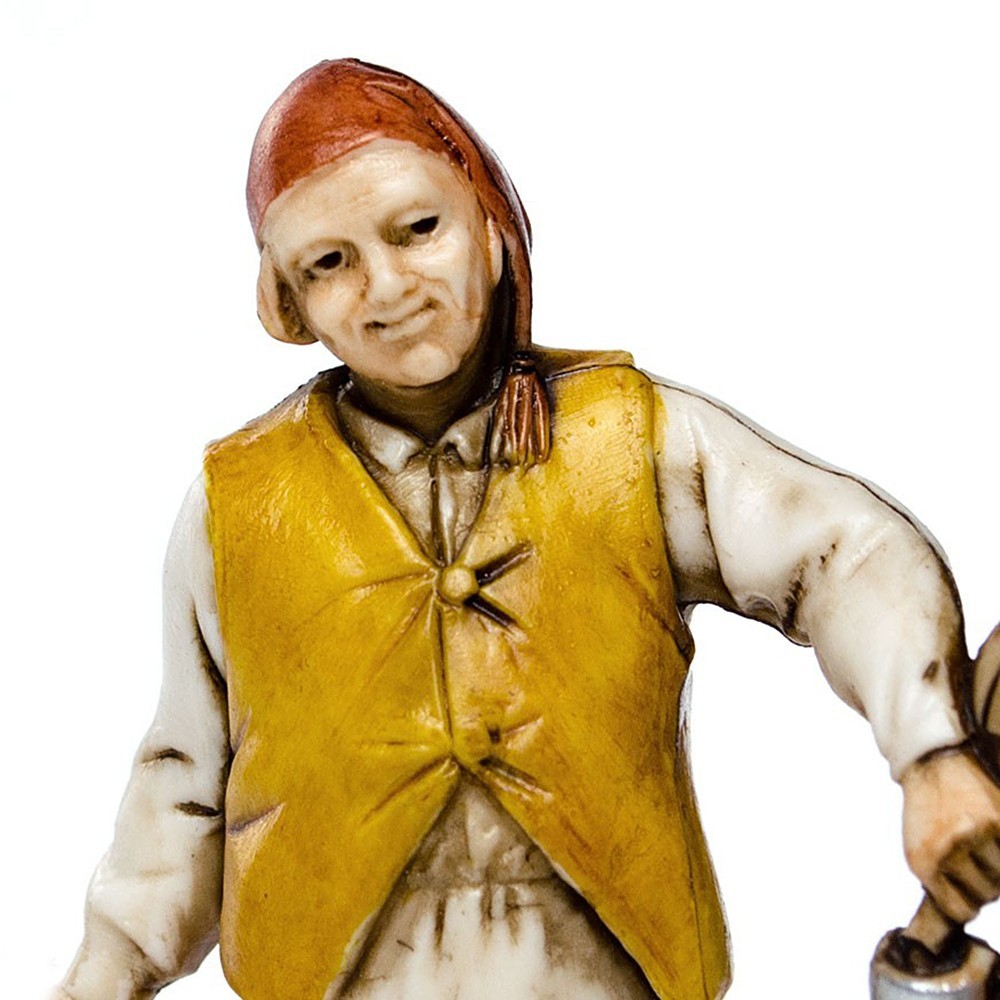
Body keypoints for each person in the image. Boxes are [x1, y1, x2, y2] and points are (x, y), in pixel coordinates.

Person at [55, 59, 1000, 1000]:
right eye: (329, 264)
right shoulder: (238, 504)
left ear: (492, 228)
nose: (387, 286)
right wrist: (106, 974)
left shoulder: (634, 443)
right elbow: (183, 779)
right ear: (286, 303)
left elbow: (845, 555)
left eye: (419, 229)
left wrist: (933, 755)